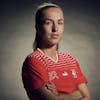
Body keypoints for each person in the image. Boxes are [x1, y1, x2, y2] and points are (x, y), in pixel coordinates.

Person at [22, 3, 91, 100]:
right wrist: (77, 94)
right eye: (48, 22)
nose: (55, 28)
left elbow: (87, 97)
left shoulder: (70, 59)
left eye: (60, 22)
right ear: (37, 27)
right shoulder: (34, 61)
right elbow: (82, 95)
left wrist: (59, 96)